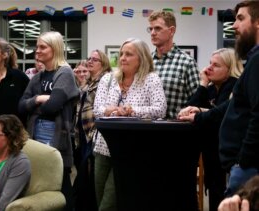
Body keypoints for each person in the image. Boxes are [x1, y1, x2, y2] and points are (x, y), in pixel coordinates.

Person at [93, 38, 167, 211]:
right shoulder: (108, 79)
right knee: (99, 197)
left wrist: (132, 110)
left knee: (108, 204)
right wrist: (113, 110)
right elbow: (97, 110)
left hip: (131, 149)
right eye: (121, 54)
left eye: (128, 54)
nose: (122, 58)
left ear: (141, 58)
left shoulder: (151, 79)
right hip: (103, 147)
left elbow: (160, 110)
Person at [18, 31, 79, 211]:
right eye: (37, 47)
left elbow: (53, 106)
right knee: (40, 182)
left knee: (59, 182)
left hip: (57, 134)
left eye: (42, 47)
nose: (37, 51)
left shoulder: (65, 73)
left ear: (55, 49)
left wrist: (38, 104)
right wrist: (38, 99)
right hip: (35, 132)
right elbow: (21, 106)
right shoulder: (38, 76)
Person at [177, 48, 244, 211]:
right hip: (211, 150)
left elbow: (222, 114)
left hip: (229, 152)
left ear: (229, 69)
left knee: (227, 196)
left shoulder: (234, 85)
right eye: (209, 64)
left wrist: (200, 111)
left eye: (216, 65)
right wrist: (203, 84)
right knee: (214, 192)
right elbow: (189, 107)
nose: (208, 69)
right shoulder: (213, 88)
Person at [219, 0, 259, 197]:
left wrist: (243, 162)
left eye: (241, 18)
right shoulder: (253, 59)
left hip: (249, 171)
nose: (234, 25)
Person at [73, 51, 111, 211]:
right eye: (89, 59)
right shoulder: (88, 82)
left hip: (95, 134)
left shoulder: (106, 81)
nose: (90, 61)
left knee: (89, 176)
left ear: (103, 63)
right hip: (82, 133)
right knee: (86, 175)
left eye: (94, 59)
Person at [147, 10, 199, 119]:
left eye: (157, 28)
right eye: (150, 29)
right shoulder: (146, 61)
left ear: (171, 31)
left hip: (175, 129)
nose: (152, 33)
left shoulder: (186, 62)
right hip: (148, 128)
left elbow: (196, 101)